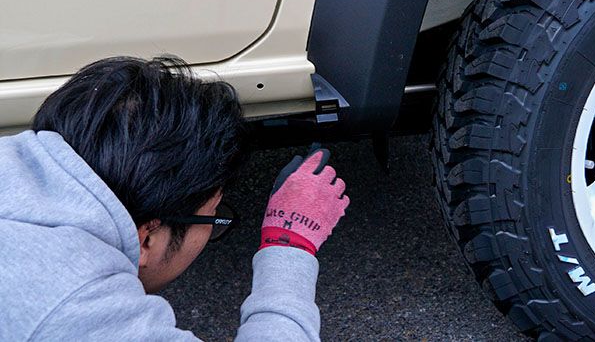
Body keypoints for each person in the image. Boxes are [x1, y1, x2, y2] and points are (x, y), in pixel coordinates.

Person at [0, 56, 349, 341]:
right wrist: (289, 246)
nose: (212, 226)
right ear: (146, 239)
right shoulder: (74, 310)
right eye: (212, 217)